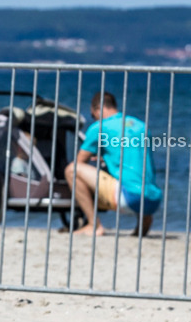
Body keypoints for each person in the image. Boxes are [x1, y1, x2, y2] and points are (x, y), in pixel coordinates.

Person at [64, 91, 163, 236]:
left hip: (128, 198)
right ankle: (143, 223)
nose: (94, 118)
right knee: (138, 174)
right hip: (153, 200)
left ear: (97, 109)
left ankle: (93, 225)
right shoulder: (140, 126)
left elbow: (80, 162)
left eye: (92, 115)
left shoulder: (100, 127)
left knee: (72, 170)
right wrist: (107, 157)